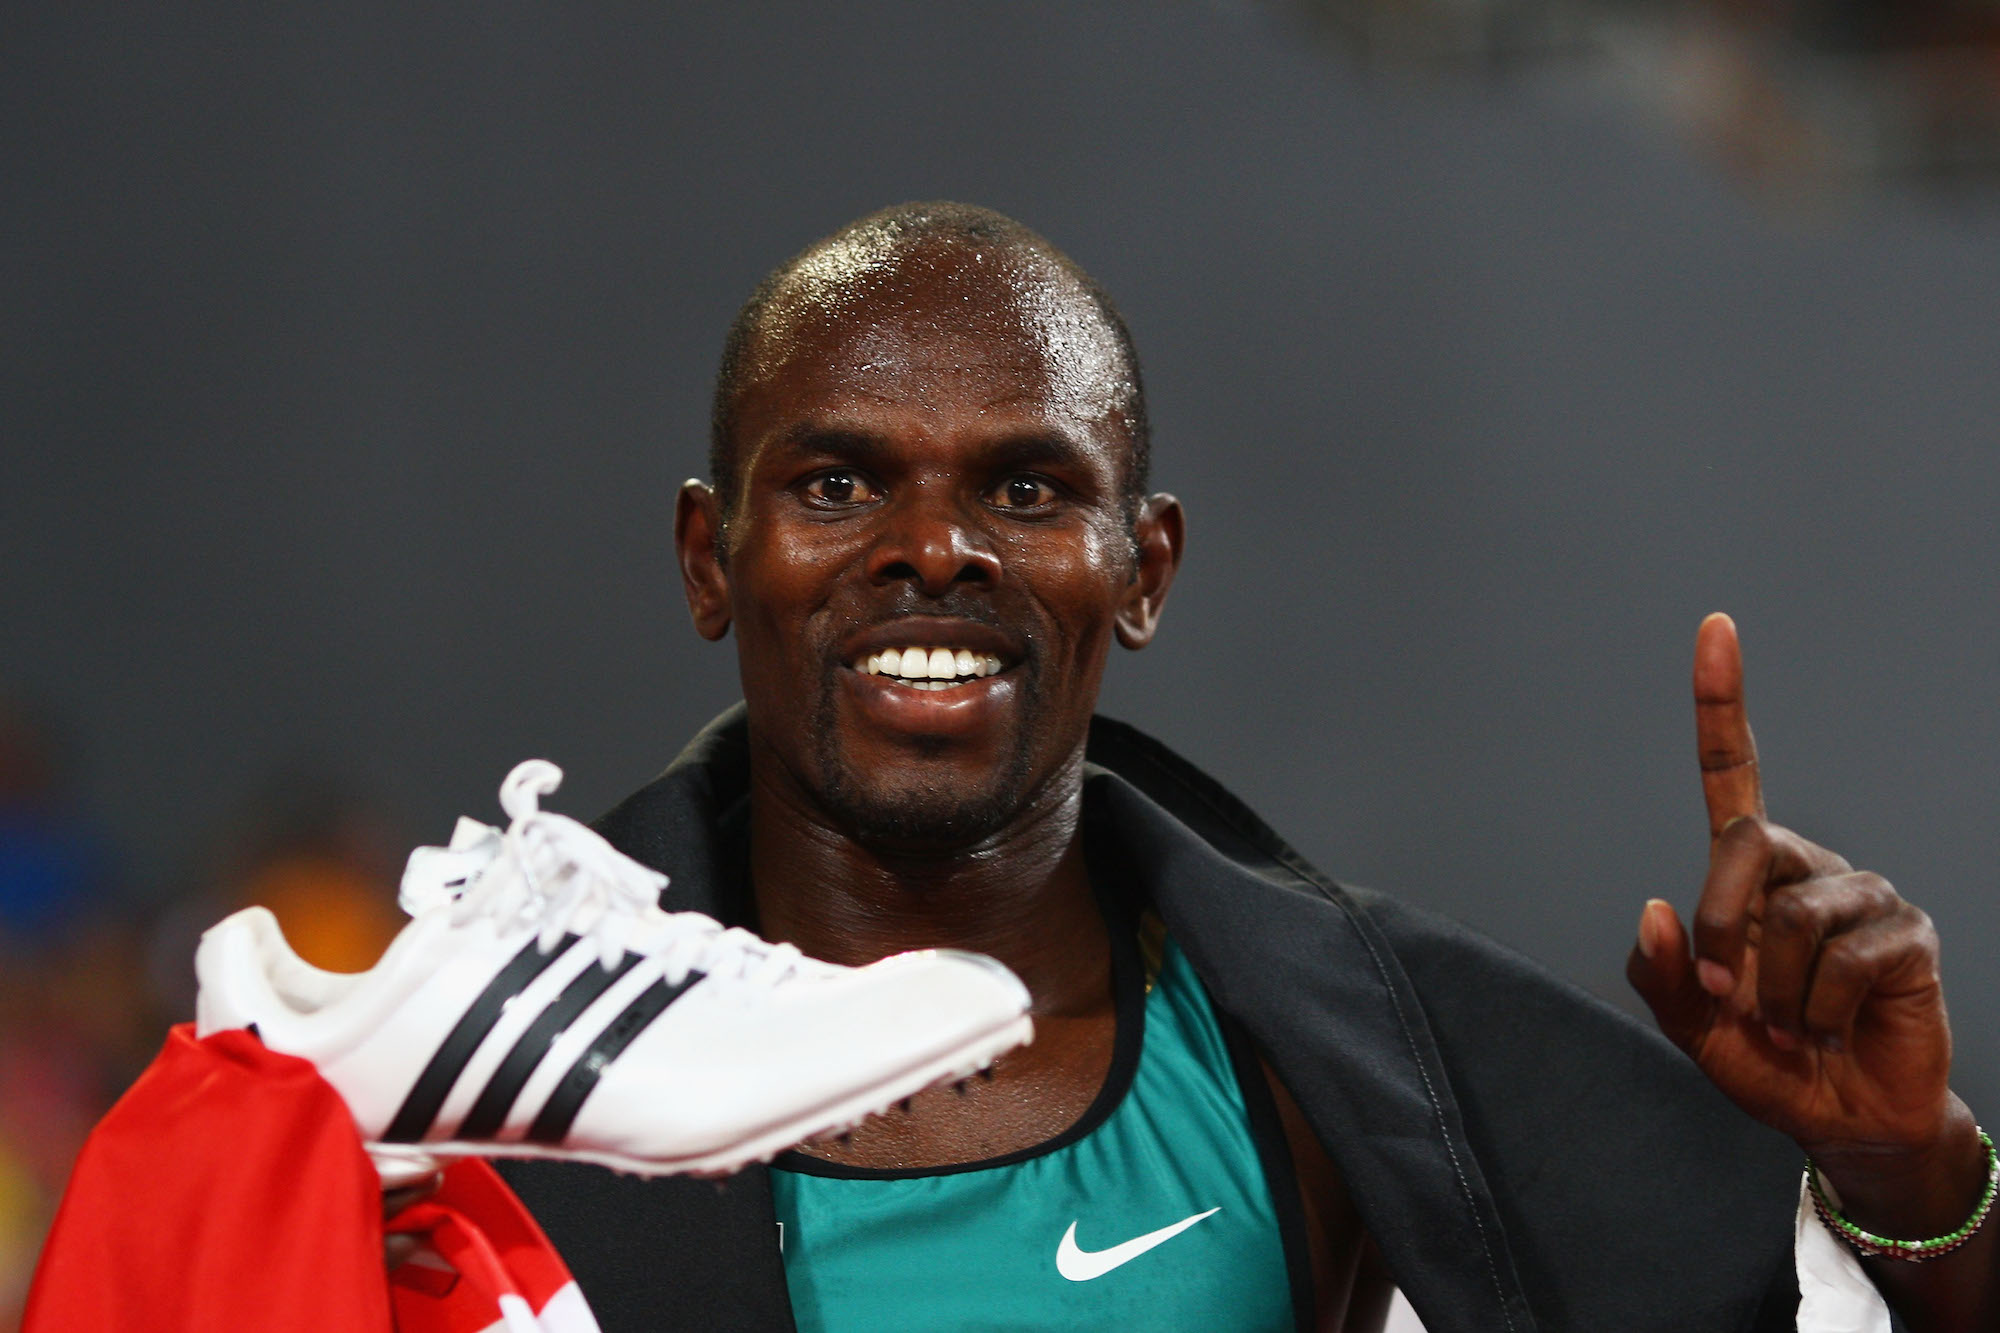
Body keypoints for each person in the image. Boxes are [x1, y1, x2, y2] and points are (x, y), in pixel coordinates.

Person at [498, 202, 1997, 1331]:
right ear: (711, 558)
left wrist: (1913, 1172)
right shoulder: (468, 1092)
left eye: (1027, 488)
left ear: (1143, 570)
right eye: (837, 485)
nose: (936, 549)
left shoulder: (1343, 1064)